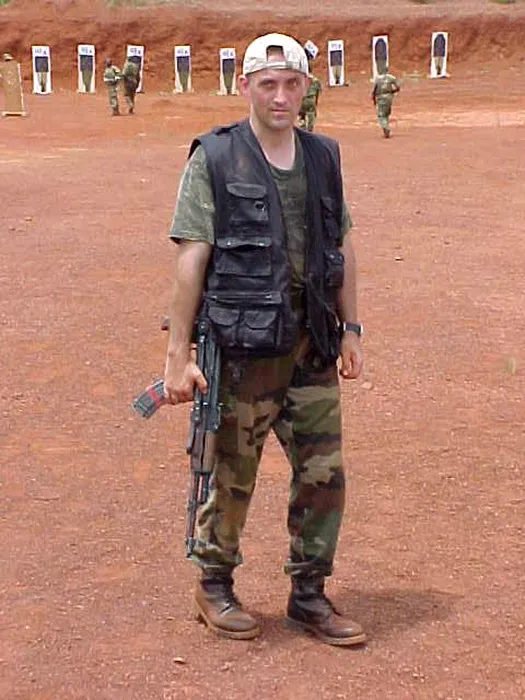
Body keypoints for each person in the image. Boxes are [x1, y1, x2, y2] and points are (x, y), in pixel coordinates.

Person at [163, 32, 366, 647]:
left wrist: (352, 328)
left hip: (312, 346)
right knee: (232, 474)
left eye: (292, 84)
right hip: (244, 349)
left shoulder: (323, 157)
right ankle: (214, 585)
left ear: (306, 89)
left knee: (324, 476)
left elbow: (342, 247)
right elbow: (192, 258)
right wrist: (178, 356)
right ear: (245, 85)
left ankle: (309, 594)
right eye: (268, 84)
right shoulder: (216, 158)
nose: (281, 96)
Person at [372, 68, 400, 138]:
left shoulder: (377, 79)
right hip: (389, 97)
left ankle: (385, 127)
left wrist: (374, 100)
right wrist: (392, 92)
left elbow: (374, 91)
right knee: (387, 113)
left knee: (381, 115)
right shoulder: (391, 78)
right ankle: (386, 127)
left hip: (380, 97)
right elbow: (398, 87)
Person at [298, 53, 322, 132]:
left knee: (301, 115)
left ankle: (302, 128)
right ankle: (310, 130)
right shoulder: (315, 80)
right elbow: (317, 92)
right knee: (311, 114)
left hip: (302, 100)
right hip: (311, 100)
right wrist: (315, 102)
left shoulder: (300, 79)